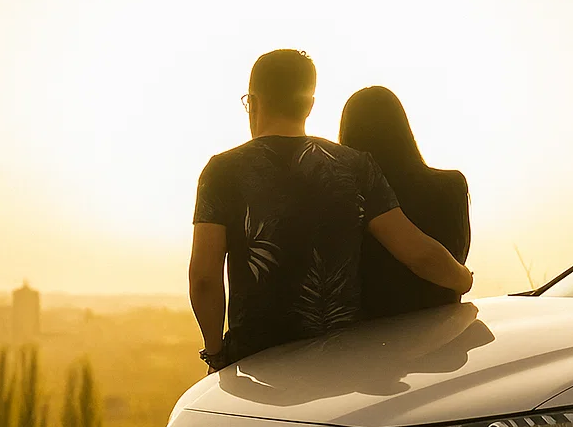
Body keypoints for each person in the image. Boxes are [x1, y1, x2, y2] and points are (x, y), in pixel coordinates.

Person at [189, 50, 473, 370]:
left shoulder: (222, 171)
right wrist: (462, 279)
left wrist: (215, 354)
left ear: (252, 101)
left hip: (257, 362)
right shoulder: (353, 166)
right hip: (343, 363)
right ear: (309, 105)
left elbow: (203, 278)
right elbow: (417, 252)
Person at [339, 86, 471, 318]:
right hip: (446, 331)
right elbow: (455, 260)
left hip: (369, 341)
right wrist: (466, 279)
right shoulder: (452, 186)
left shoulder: (346, 200)